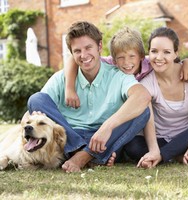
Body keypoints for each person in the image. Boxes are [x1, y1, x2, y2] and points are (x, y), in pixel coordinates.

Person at [25, 21, 152, 173]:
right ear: (71, 54)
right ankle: (85, 152)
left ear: (99, 47)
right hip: (69, 135)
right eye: (77, 51)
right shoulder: (62, 79)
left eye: (88, 48)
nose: (83, 55)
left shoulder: (117, 75)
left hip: (103, 138)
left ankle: (84, 156)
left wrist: (107, 127)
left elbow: (143, 96)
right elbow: (38, 104)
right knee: (36, 99)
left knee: (142, 111)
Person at [124, 27, 188, 168]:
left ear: (175, 53)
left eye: (166, 52)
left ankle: (164, 156)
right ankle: (176, 155)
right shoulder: (146, 84)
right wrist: (153, 150)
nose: (159, 57)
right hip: (162, 139)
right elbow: (149, 121)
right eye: (154, 51)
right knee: (132, 146)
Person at [64, 27, 188, 109]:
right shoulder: (112, 63)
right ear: (115, 59)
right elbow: (74, 59)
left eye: (132, 56)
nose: (127, 63)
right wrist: (69, 89)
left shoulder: (150, 62)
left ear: (141, 56)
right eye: (121, 57)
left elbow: (171, 59)